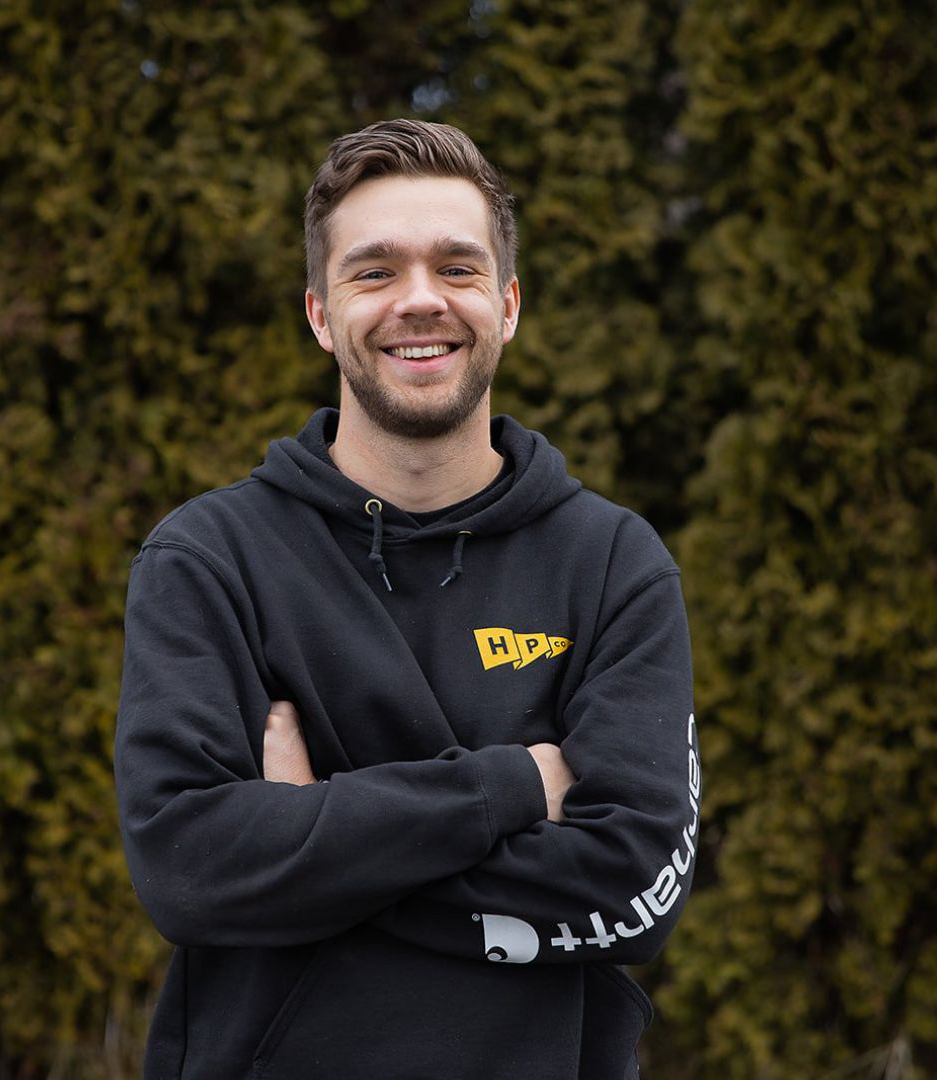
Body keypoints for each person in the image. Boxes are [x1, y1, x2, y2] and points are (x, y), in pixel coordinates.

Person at [114, 118, 700, 1080]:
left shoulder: (612, 563)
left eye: (457, 270)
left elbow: (636, 888)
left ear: (507, 305)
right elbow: (188, 867)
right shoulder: (210, 559)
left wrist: (311, 836)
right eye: (375, 272)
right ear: (318, 312)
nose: (419, 301)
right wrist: (509, 789)